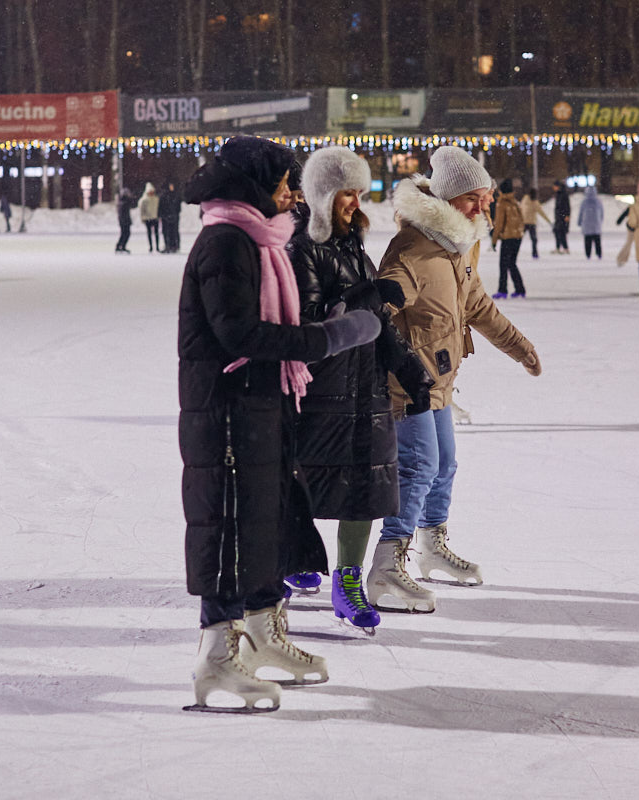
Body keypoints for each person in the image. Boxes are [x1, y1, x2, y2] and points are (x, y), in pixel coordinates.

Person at [178, 136, 382, 712]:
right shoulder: (225, 242)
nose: (294, 197)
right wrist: (329, 337)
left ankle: (265, 633)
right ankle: (217, 656)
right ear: (253, 187)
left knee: (268, 520)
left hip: (262, 405)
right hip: (225, 411)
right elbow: (239, 335)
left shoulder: (261, 241)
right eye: (284, 185)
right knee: (228, 526)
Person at [370, 145, 541, 613]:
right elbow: (380, 308)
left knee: (444, 466)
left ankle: (430, 547)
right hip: (407, 386)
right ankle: (387, 564)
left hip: (439, 381)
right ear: (447, 200)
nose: (483, 206)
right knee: (419, 467)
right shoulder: (413, 249)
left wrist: (520, 348)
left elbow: (479, 307)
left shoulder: (457, 249)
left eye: (486, 197)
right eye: (474, 198)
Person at [286, 146, 433, 632]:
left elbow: (377, 321)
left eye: (359, 192)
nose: (356, 202)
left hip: (365, 391)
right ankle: (292, 559)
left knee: (367, 488)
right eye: (347, 192)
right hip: (320, 392)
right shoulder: (301, 246)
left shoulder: (352, 244)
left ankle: (348, 580)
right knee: (302, 486)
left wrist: (406, 366)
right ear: (324, 194)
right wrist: (361, 295)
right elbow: (309, 326)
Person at [491, 178, 527, 297]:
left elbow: (499, 223)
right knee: (512, 263)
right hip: (517, 237)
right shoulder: (515, 202)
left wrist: (494, 240)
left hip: (507, 238)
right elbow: (522, 219)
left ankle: (502, 290)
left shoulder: (502, 203)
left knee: (503, 264)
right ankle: (520, 289)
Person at [519, 186, 550, 259]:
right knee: (533, 239)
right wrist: (548, 221)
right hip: (530, 223)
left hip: (525, 222)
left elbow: (520, 209)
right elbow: (541, 213)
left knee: (519, 238)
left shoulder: (525, 199)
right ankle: (535, 253)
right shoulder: (534, 202)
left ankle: (514, 251)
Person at [577, 184, 604, 259]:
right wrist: (600, 221)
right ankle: (599, 254)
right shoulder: (598, 201)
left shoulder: (584, 202)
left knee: (587, 241)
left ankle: (588, 254)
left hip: (587, 225)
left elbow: (581, 213)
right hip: (596, 226)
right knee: (597, 241)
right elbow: (602, 213)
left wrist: (579, 222)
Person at [159, 181, 182, 253]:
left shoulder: (174, 195)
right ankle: (169, 246)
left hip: (172, 216)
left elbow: (178, 206)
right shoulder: (164, 196)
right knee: (167, 232)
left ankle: (173, 246)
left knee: (173, 231)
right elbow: (161, 207)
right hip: (167, 216)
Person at [550, 179, 570, 254]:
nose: (553, 188)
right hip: (558, 216)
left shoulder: (563, 194)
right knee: (557, 231)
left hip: (562, 216)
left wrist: (567, 215)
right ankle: (558, 247)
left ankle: (565, 248)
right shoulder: (558, 194)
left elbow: (567, 206)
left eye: (554, 186)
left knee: (561, 232)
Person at [139, 182, 160, 252]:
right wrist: (143, 218)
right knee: (149, 233)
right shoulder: (144, 200)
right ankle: (151, 246)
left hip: (155, 218)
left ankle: (157, 246)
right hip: (148, 218)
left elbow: (158, 208)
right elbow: (142, 210)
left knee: (156, 233)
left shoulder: (156, 199)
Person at [115, 187, 133, 253]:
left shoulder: (122, 202)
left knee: (124, 234)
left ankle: (121, 246)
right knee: (125, 234)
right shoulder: (124, 203)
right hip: (124, 221)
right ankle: (120, 246)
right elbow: (123, 214)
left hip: (124, 221)